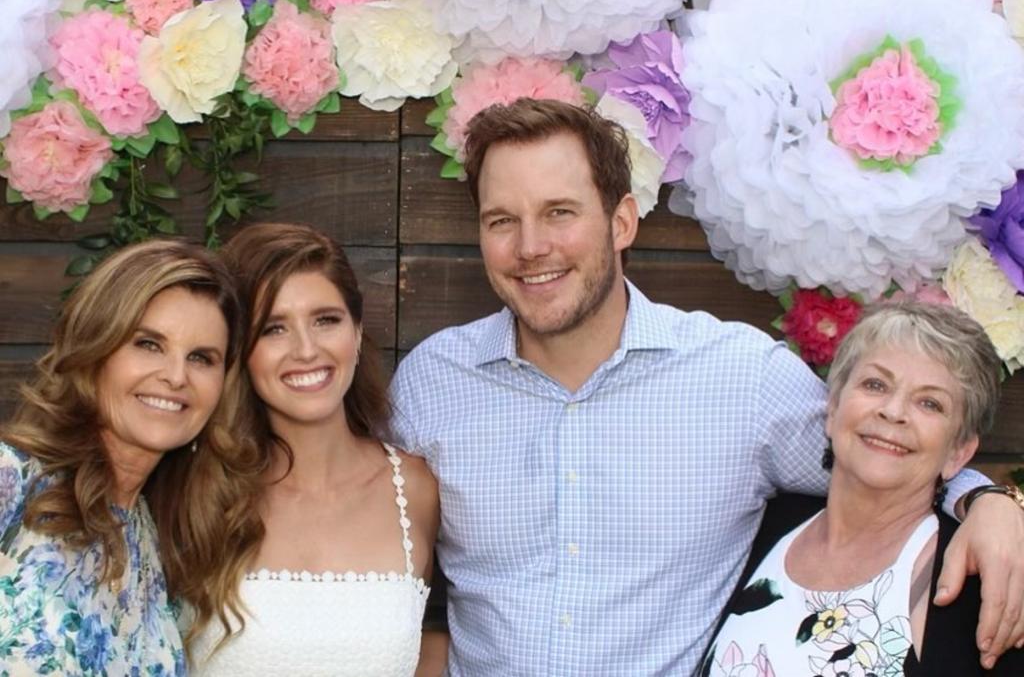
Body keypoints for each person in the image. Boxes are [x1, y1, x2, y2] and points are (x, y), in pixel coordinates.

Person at [388, 98, 1024, 675]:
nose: (531, 246)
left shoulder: (739, 376)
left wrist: (989, 503)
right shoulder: (432, 384)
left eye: (560, 212)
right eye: (502, 220)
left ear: (622, 223)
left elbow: (874, 450)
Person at [701, 302, 1024, 676]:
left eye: (929, 403)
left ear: (958, 452)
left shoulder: (982, 581)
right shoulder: (761, 523)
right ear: (834, 408)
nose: (893, 410)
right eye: (876, 384)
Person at [189, 223, 440, 676]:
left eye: (326, 320)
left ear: (357, 331)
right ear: (240, 351)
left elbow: (437, 638)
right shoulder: (195, 491)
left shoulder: (418, 490)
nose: (306, 350)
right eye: (274, 329)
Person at [0, 240, 254, 675]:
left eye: (201, 358)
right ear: (97, 349)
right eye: (148, 344)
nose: (176, 376)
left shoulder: (157, 535)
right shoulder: (13, 477)